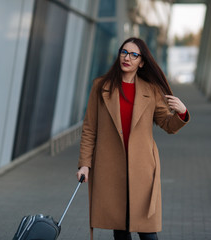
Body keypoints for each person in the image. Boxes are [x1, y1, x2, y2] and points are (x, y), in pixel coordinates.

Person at [76, 37, 190, 240]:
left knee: (148, 232)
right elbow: (89, 128)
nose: (127, 58)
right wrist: (85, 164)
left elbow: (167, 125)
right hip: (111, 168)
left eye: (134, 55)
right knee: (120, 229)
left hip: (143, 168)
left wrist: (181, 113)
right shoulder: (101, 87)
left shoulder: (151, 90)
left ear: (142, 62)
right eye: (124, 52)